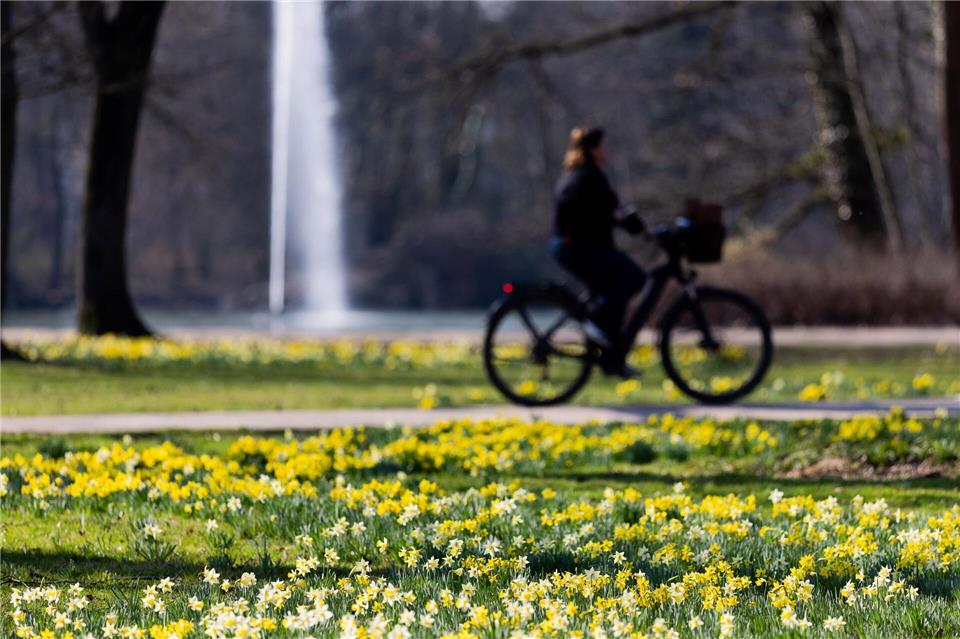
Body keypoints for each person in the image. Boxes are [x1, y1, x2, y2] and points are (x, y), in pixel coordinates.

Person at [549, 127, 647, 378]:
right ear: (593, 149)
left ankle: (610, 355)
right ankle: (596, 324)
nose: (606, 151)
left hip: (571, 246)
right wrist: (640, 228)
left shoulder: (578, 174)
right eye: (603, 146)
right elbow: (610, 211)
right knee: (630, 278)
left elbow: (607, 212)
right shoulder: (590, 177)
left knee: (619, 284)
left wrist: (631, 224)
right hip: (577, 247)